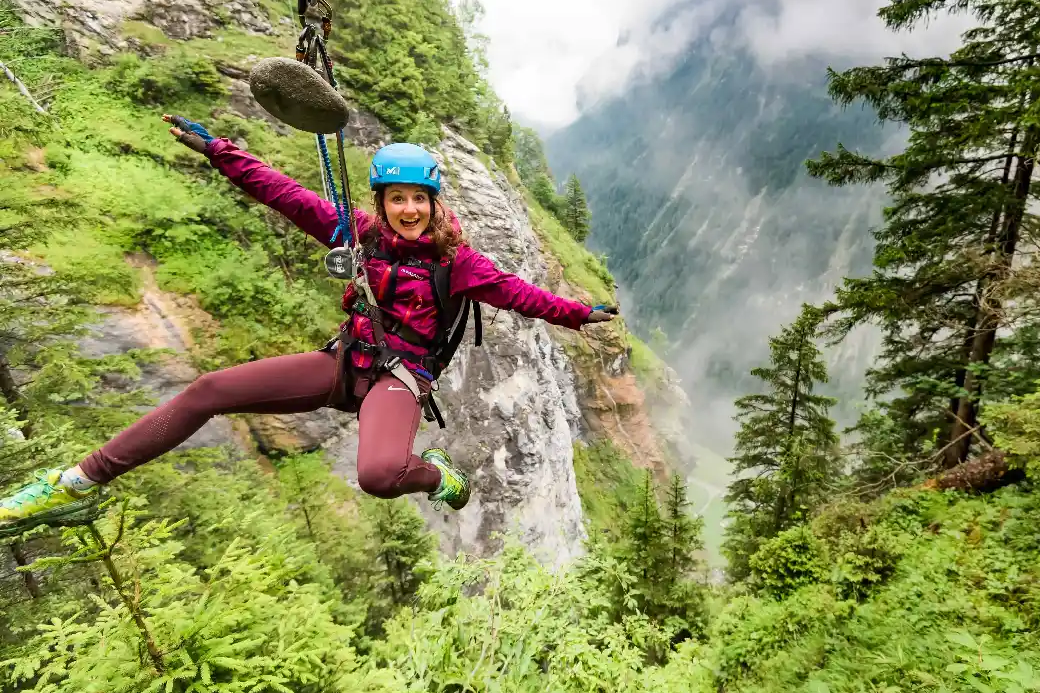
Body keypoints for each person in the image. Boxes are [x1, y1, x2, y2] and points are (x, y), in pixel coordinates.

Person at [0, 115, 618, 536]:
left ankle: (437, 475)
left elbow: (520, 295)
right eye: (396, 198)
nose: (408, 209)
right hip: (346, 361)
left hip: (399, 379)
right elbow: (285, 194)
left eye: (418, 199)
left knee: (379, 475)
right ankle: (78, 481)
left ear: (435, 205)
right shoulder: (358, 234)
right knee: (209, 391)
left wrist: (580, 314)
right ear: (382, 202)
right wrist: (222, 152)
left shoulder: (458, 263)